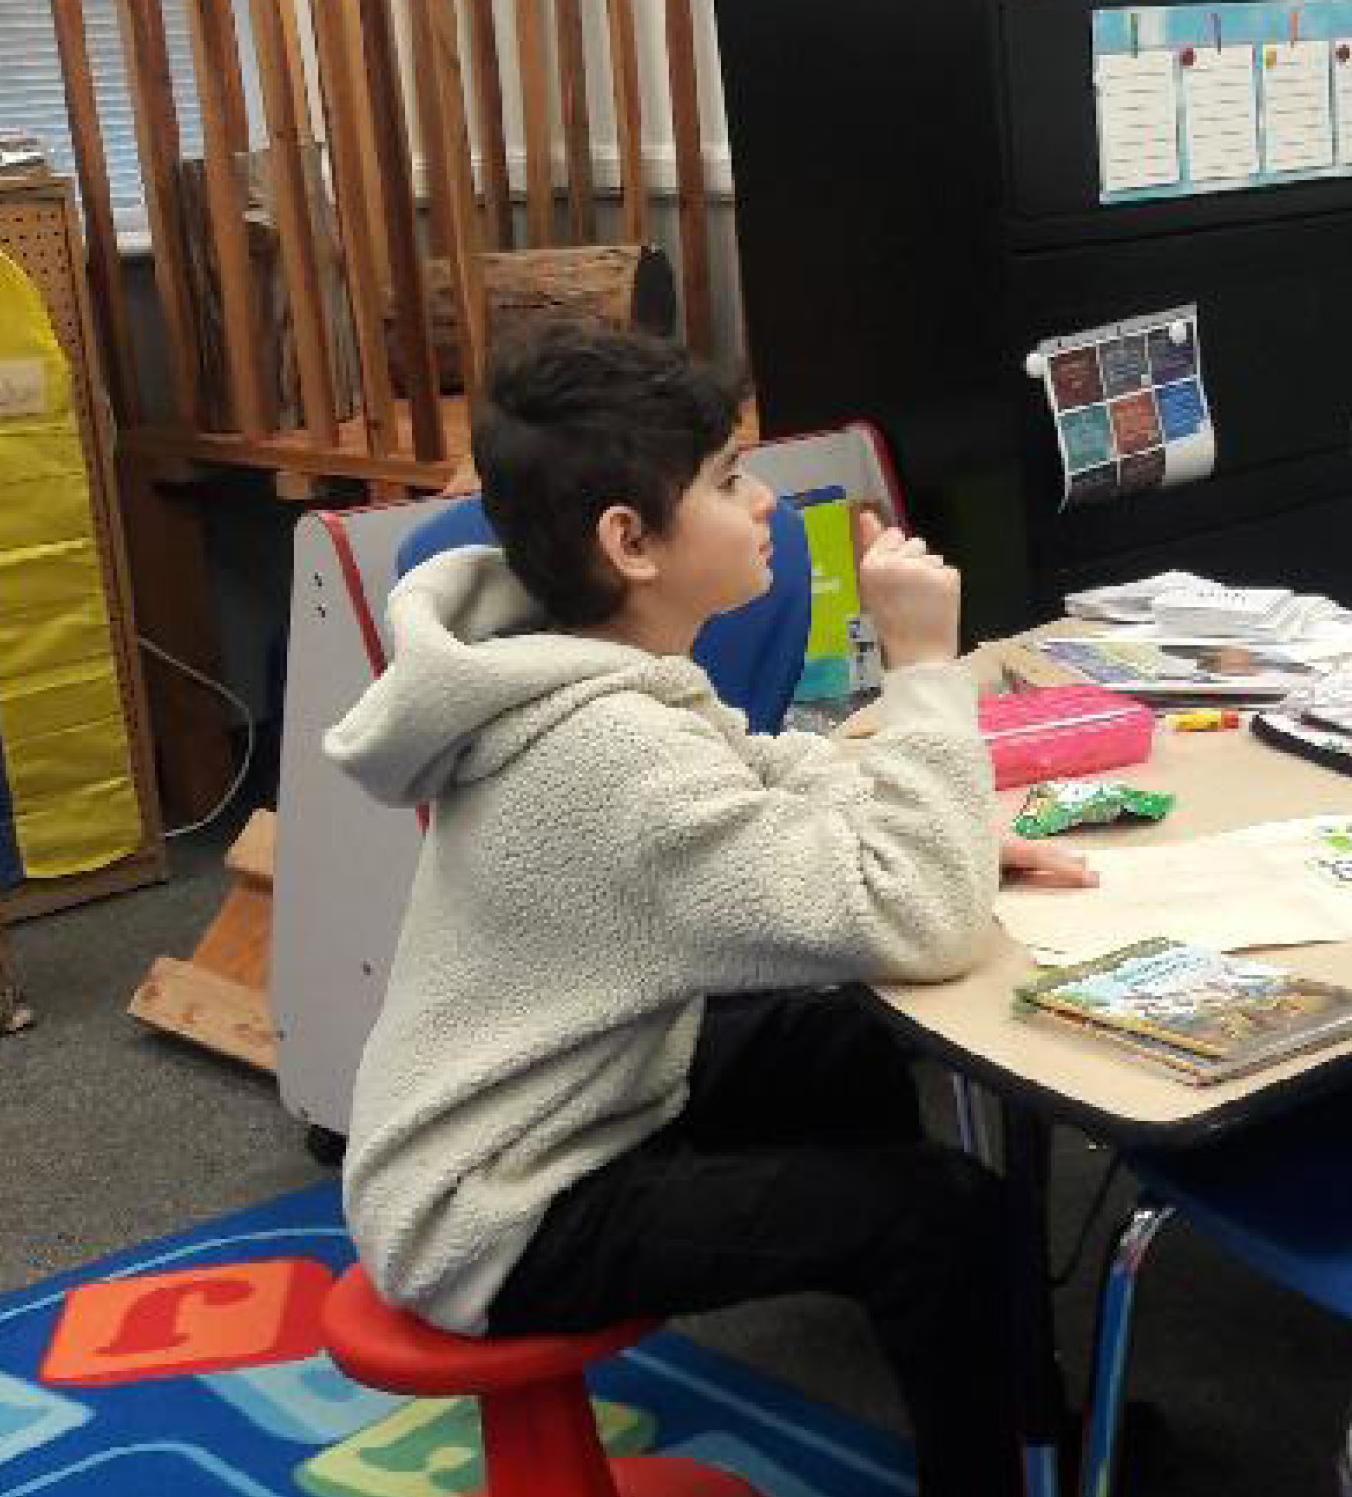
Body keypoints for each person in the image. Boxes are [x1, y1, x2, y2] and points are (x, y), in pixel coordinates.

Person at [327, 323, 1090, 1497]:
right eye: (730, 479)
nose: (767, 502)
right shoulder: (612, 752)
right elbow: (923, 921)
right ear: (630, 541)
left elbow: (764, 765)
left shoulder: (574, 661)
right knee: (938, 1216)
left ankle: (1008, 1411)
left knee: (866, 1047)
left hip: (561, 1094)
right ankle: (995, 1445)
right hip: (497, 1205)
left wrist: (942, 824)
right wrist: (925, 667)